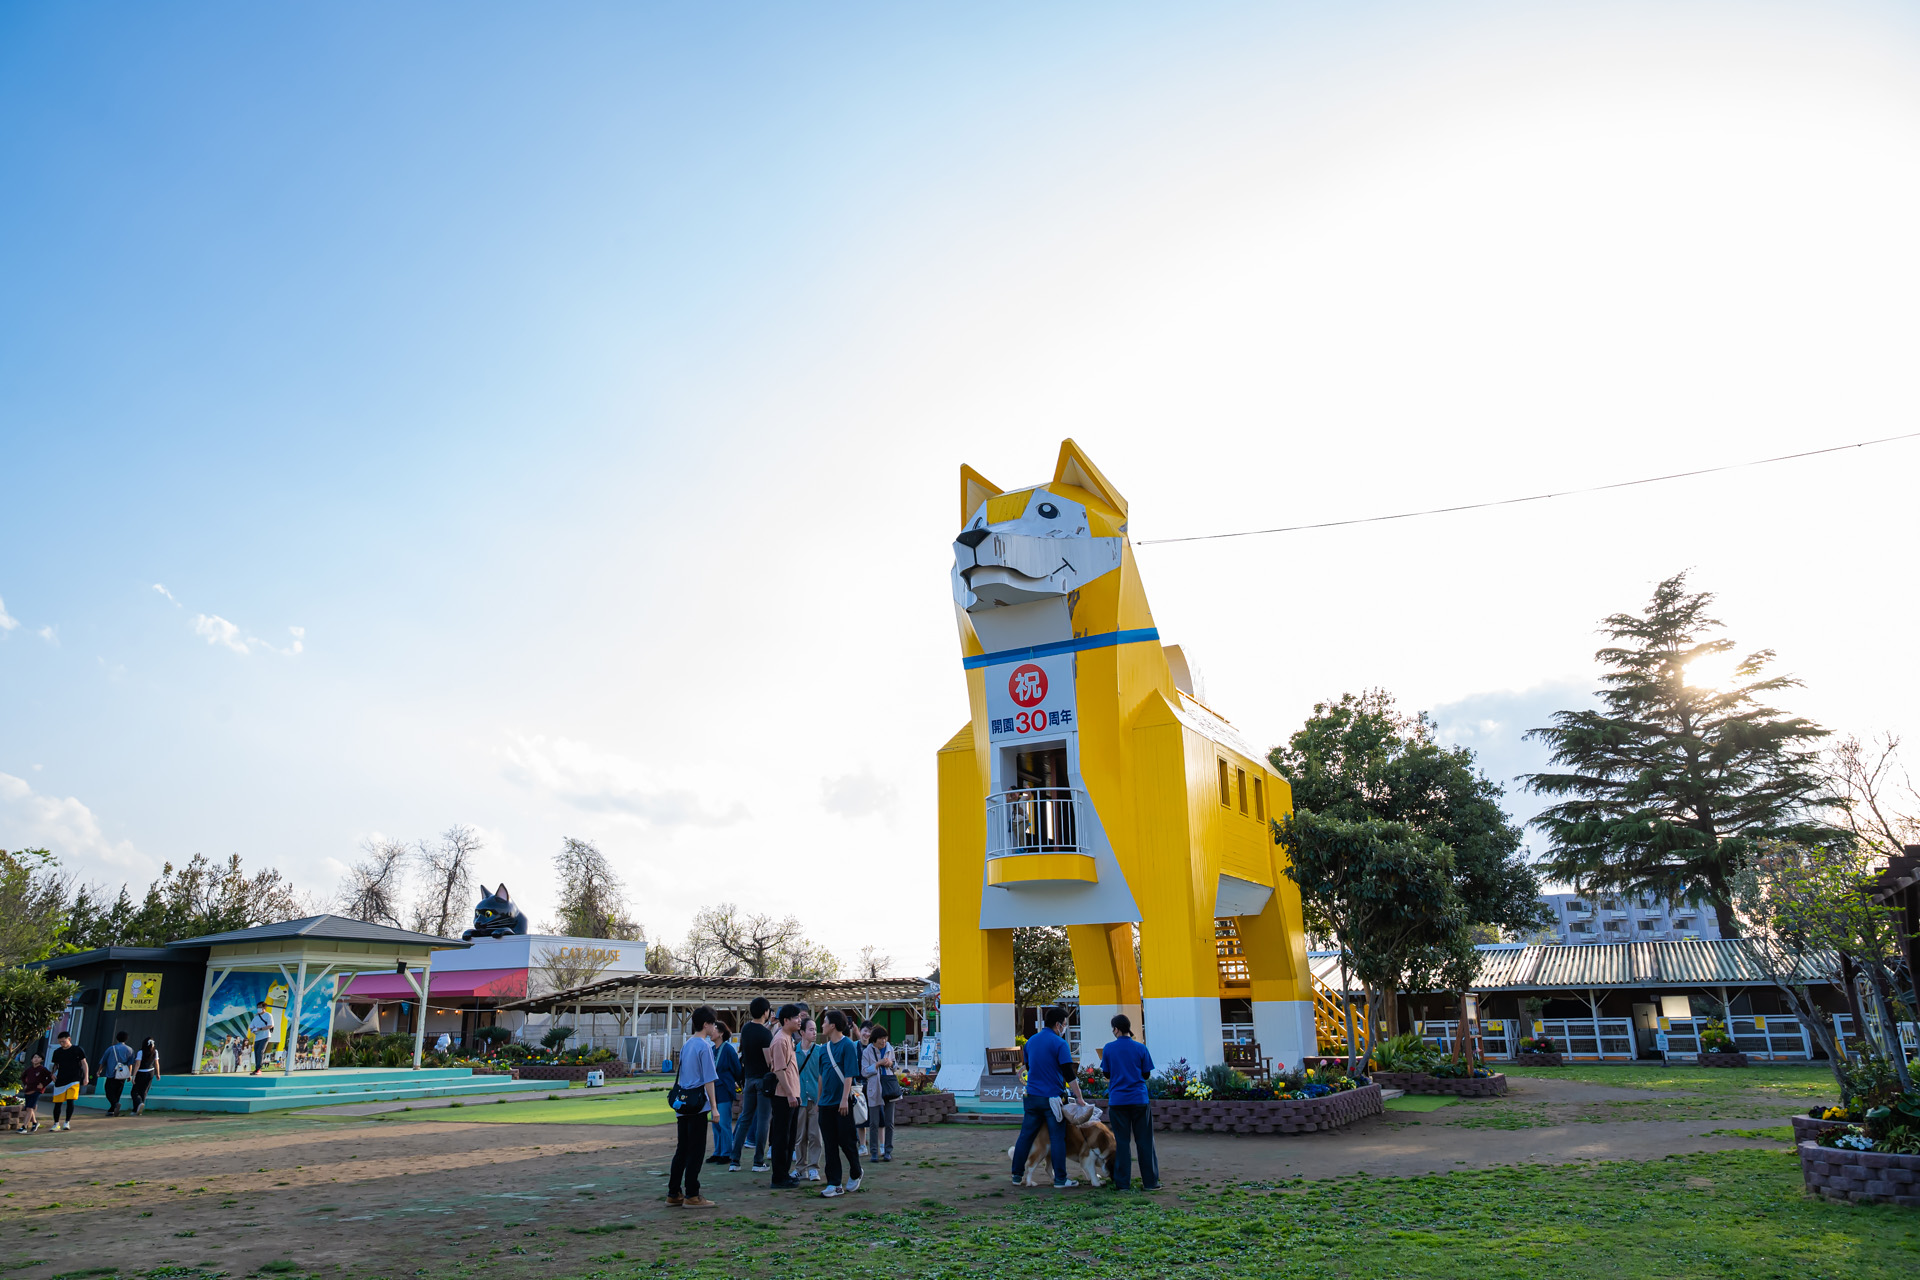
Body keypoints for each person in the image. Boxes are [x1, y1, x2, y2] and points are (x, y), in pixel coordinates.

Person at [1008, 1007, 1084, 1188]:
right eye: (1064, 1024)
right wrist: (1079, 1097)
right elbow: (1068, 1073)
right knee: (1057, 1138)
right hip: (1052, 1099)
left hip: (1032, 1097)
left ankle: (1016, 1175)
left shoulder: (1031, 1041)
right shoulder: (1060, 1044)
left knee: (1025, 1136)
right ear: (1058, 1024)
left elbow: (1028, 1066)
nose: (1064, 1027)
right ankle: (1060, 1179)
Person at [667, 1005, 720, 1208]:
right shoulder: (704, 1046)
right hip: (698, 1104)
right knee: (696, 1150)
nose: (714, 1027)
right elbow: (709, 1079)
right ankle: (692, 1194)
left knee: (682, 1149)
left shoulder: (687, 1044)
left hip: (682, 1103)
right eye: (713, 1023)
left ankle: (674, 1192)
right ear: (706, 1024)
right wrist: (714, 1107)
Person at [1099, 1013, 1159, 1191]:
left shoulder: (1108, 1048)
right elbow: (1146, 1074)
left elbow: (1106, 1073)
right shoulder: (1141, 1048)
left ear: (1116, 1029)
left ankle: (1123, 1183)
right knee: (1145, 1141)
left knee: (1122, 1142)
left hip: (1118, 1101)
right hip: (1139, 1099)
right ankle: (1150, 1182)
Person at [817, 1010, 864, 1198]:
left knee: (847, 1141)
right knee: (829, 1145)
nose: (822, 1025)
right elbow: (821, 1076)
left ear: (833, 1025)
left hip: (842, 1103)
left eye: (824, 1022)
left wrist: (844, 1099)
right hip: (825, 1104)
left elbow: (849, 1074)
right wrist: (819, 1100)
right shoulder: (823, 1049)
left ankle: (856, 1170)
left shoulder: (848, 1046)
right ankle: (834, 1184)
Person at [729, 997, 774, 1173]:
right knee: (763, 1120)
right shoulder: (766, 1034)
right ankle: (758, 1161)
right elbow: (769, 1060)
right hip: (763, 1080)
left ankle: (734, 1160)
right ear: (765, 1012)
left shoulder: (746, 1029)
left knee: (745, 1118)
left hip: (749, 1078)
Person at [765, 1004, 804, 1189]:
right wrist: (789, 1094)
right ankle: (779, 1177)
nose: (799, 1020)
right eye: (796, 1017)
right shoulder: (780, 1040)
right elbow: (779, 1070)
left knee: (789, 1136)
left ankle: (784, 1174)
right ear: (786, 1020)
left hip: (791, 1094)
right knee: (782, 1137)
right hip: (784, 1096)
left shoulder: (789, 1038)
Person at [794, 1017, 825, 1181]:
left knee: (815, 1135)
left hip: (815, 1099)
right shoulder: (794, 1052)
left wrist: (820, 1099)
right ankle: (800, 1168)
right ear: (802, 1032)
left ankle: (814, 1168)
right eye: (811, 1029)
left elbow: (822, 1076)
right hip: (800, 1099)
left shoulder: (819, 1051)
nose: (814, 1033)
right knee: (799, 1136)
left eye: (815, 1029)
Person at [861, 1023, 896, 1162]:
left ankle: (888, 1151)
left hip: (889, 1088)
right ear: (874, 1039)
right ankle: (874, 1152)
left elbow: (895, 1066)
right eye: (881, 1038)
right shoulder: (867, 1052)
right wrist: (877, 1064)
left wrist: (890, 1064)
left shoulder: (890, 1049)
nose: (883, 1041)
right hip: (874, 1088)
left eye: (885, 1038)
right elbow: (864, 1072)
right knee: (874, 1123)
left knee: (889, 1122)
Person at [705, 1025, 739, 1165]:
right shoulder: (712, 1049)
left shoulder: (728, 1049)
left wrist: (732, 1082)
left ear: (721, 1033)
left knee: (724, 1122)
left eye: (714, 1029)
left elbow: (737, 1069)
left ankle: (727, 1153)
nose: (711, 1032)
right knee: (716, 1123)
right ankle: (718, 1152)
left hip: (724, 1089)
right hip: (714, 1090)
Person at [49, 1030, 89, 1131]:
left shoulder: (77, 1049)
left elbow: (84, 1063)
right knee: (58, 1103)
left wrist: (86, 1077)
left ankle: (67, 1122)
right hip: (61, 1080)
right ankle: (56, 1123)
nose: (62, 1044)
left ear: (69, 1039)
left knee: (70, 1101)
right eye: (60, 1042)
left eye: (63, 1041)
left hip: (74, 1079)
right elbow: (56, 1065)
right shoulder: (57, 1052)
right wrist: (52, 1074)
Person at [100, 1031, 138, 1117]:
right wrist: (129, 1074)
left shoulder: (111, 1048)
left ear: (117, 1038)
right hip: (122, 1075)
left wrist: (99, 1070)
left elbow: (103, 1061)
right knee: (118, 1092)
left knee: (108, 1091)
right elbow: (130, 1064)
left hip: (111, 1073)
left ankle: (115, 1104)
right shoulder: (130, 1050)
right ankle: (112, 1109)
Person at [18, 1053, 51, 1133]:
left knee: (29, 1108)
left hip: (37, 1090)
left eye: (38, 1057)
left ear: (42, 1060)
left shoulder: (42, 1069)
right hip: (28, 1090)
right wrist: (25, 1084)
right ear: (31, 1060)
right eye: (34, 1057)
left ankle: (24, 1127)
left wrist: (43, 1084)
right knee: (29, 1108)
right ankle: (35, 1123)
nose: (36, 1059)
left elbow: (50, 1077)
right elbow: (23, 1077)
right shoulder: (29, 1069)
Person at [130, 1038, 161, 1116]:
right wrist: (158, 1073)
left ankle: (137, 1106)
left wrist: (134, 1075)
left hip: (141, 1073)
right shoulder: (155, 1051)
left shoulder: (140, 1052)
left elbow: (137, 1064)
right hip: (151, 1072)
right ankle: (139, 1108)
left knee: (134, 1091)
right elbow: (156, 1063)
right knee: (144, 1091)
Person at [247, 1002, 276, 1074]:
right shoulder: (256, 1017)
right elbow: (251, 1026)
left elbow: (270, 1025)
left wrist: (260, 1029)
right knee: (256, 1052)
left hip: (265, 1036)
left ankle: (259, 1068)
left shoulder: (268, 1015)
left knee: (260, 1051)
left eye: (260, 1007)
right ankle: (256, 1068)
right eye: (257, 1007)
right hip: (257, 1037)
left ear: (264, 1008)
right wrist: (253, 1030)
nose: (258, 1009)